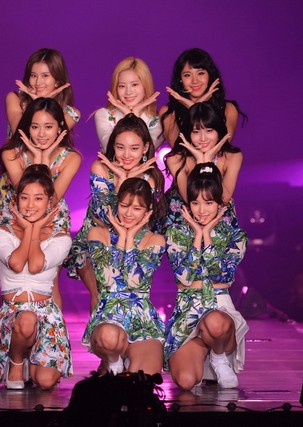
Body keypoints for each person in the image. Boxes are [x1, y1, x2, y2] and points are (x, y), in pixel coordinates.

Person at [64, 114, 166, 312]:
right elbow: (105, 215)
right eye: (120, 147)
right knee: (100, 297)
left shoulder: (151, 176)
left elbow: (138, 219)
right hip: (96, 239)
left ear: (145, 148)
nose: (126, 155)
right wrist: (122, 180)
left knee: (129, 297)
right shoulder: (101, 168)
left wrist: (124, 179)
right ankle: (98, 332)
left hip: (133, 241)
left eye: (134, 148)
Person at [0, 98, 81, 308]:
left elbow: (51, 199)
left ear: (60, 128)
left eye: (48, 127)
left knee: (49, 284)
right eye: (35, 126)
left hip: (52, 219)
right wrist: (41, 160)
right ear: (27, 127)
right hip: (17, 218)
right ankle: (11, 324)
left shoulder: (71, 158)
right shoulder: (11, 154)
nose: (41, 134)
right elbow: (28, 191)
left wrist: (42, 160)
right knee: (13, 283)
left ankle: (53, 328)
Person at [0, 165, 73, 390]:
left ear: (50, 202)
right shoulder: (1, 232)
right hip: (14, 314)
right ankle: (16, 361)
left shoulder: (61, 238)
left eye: (38, 198)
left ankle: (31, 357)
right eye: (24, 198)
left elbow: (35, 266)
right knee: (26, 319)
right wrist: (29, 230)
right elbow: (17, 263)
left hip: (47, 315)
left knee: (45, 382)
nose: (30, 205)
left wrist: (34, 230)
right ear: (16, 200)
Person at [164, 164, 248, 390]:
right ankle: (202, 350)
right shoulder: (176, 232)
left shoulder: (235, 235)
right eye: (195, 203)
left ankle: (219, 358)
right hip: (187, 311)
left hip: (219, 308)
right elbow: (184, 277)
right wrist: (197, 236)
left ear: (220, 203)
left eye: (208, 203)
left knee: (214, 322)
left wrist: (208, 237)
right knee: (185, 382)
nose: (201, 210)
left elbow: (223, 275)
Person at [83, 178, 166, 375]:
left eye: (137, 208)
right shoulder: (97, 234)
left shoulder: (155, 240)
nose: (128, 213)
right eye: (124, 206)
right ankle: (113, 362)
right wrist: (121, 237)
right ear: (117, 204)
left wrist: (129, 239)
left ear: (148, 210)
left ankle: (125, 362)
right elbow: (108, 280)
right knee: (108, 336)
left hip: (142, 321)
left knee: (143, 379)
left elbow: (133, 282)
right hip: (109, 317)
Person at [162, 102, 242, 231]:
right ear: (189, 134)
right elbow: (190, 199)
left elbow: (223, 199)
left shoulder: (232, 157)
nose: (203, 138)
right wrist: (202, 162)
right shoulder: (176, 159)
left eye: (209, 131)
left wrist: (207, 162)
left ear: (218, 131)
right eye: (196, 132)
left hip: (220, 219)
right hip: (182, 220)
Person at [159, 48, 245, 147]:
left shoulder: (228, 109)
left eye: (200, 73)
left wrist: (194, 106)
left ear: (210, 75)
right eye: (187, 75)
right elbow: (179, 150)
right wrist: (196, 106)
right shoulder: (169, 113)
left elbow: (221, 147)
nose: (195, 81)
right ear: (180, 80)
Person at [94, 57, 163, 151]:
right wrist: (130, 116)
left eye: (134, 84)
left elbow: (147, 152)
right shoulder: (104, 114)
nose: (128, 92)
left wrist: (132, 115)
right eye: (122, 86)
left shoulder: (157, 120)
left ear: (146, 85)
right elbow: (111, 150)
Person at [5, 48, 80, 134]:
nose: (38, 82)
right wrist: (39, 102)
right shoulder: (15, 98)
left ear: (57, 81)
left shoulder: (73, 113)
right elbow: (20, 134)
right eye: (33, 76)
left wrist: (43, 103)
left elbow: (48, 139)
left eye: (45, 76)